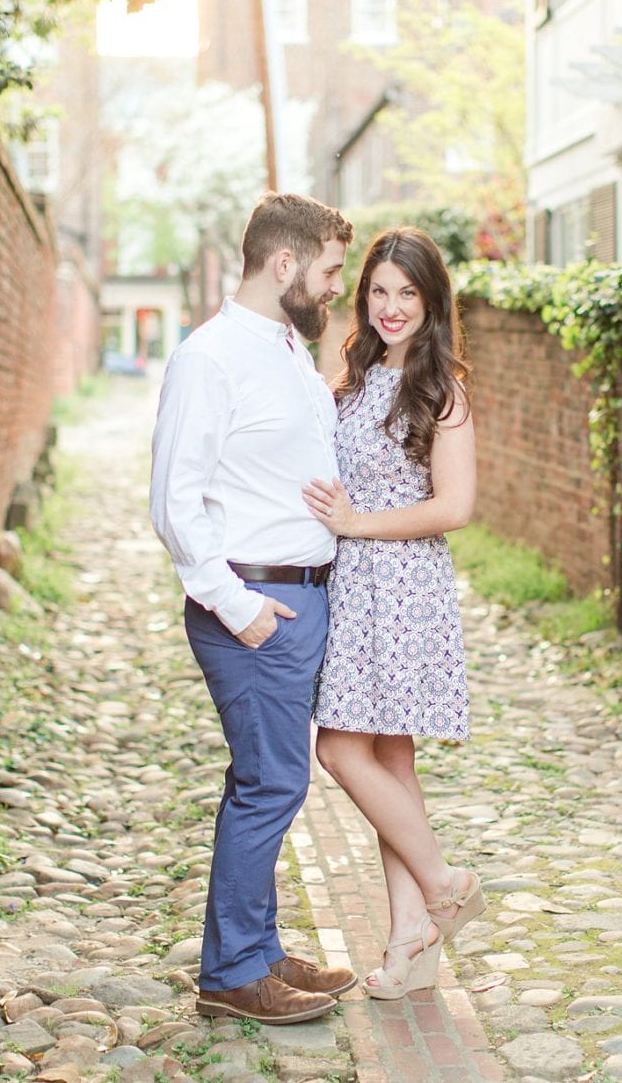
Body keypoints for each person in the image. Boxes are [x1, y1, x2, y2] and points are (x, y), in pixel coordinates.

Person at [150, 192, 358, 1025]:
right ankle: (235, 970)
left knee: (269, 780)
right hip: (255, 602)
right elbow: (174, 500)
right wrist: (242, 610)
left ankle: (258, 951)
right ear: (285, 265)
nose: (337, 288)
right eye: (332, 270)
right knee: (271, 784)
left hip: (298, 598)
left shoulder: (286, 351)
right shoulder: (210, 358)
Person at [303, 227, 486, 999]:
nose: (390, 307)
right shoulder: (357, 373)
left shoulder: (443, 390)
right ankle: (410, 936)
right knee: (392, 762)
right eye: (378, 291)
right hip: (356, 587)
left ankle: (445, 882)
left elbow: (456, 506)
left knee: (342, 753)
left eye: (407, 293)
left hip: (404, 588)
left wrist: (356, 525)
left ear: (431, 301)